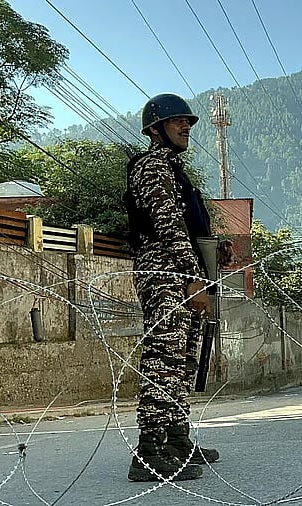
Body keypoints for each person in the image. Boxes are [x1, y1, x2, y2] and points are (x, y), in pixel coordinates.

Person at [123, 93, 220, 482]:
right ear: (155, 128)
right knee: (162, 362)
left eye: (189, 122)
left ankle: (176, 441)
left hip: (181, 271)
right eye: (178, 121)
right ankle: (149, 450)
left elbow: (189, 226)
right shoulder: (151, 166)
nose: (186, 127)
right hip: (165, 274)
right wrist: (191, 276)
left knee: (181, 364)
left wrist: (215, 249)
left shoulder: (175, 170)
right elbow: (167, 225)